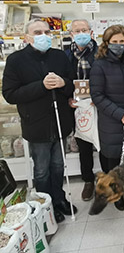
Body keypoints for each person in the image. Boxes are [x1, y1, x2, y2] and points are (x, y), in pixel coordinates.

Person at [2, 19, 78, 223]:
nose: (43, 35)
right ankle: (46, 205)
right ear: (26, 37)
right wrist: (41, 86)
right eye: (37, 32)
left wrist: (64, 84)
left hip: (60, 121)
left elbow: (72, 84)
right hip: (36, 124)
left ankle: (59, 199)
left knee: (58, 165)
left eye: (46, 31)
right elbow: (10, 94)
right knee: (42, 169)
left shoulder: (60, 56)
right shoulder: (16, 60)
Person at [90, 24, 124, 211]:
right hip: (111, 122)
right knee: (113, 162)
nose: (119, 45)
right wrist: (119, 113)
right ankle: (117, 196)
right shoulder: (99, 65)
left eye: (122, 42)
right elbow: (97, 96)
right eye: (114, 42)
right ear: (106, 43)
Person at [66, 19, 98, 202]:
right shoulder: (65, 56)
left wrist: (99, 97)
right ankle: (88, 180)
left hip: (98, 103)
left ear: (91, 32)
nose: (81, 33)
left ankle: (109, 176)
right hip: (77, 106)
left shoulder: (101, 52)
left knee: (103, 142)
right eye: (77, 30)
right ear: (71, 34)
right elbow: (63, 80)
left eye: (84, 30)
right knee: (84, 145)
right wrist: (68, 98)